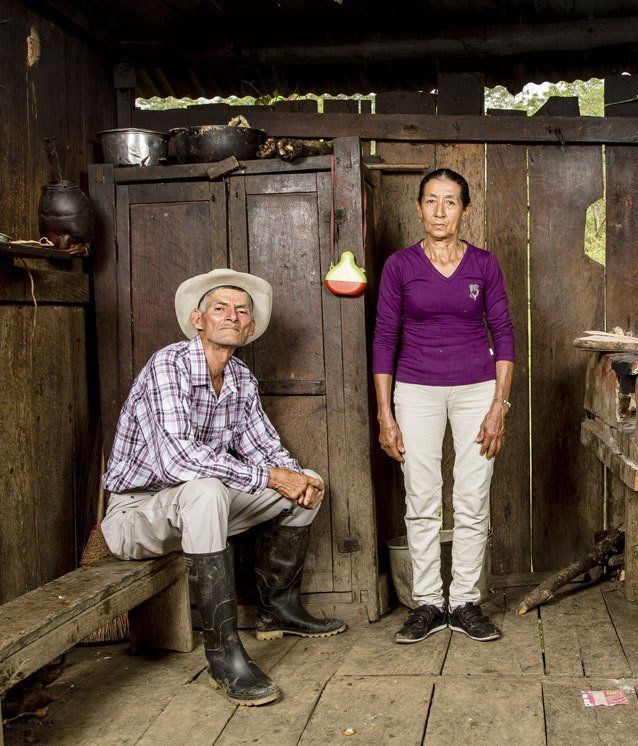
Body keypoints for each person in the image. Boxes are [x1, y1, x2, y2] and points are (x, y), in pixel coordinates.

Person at [100, 268, 345, 706]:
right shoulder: (168, 366)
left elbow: (265, 448)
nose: (232, 315)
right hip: (136, 515)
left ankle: (279, 610)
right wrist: (272, 477)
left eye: (242, 311)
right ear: (198, 320)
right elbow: (179, 461)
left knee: (310, 483)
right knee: (207, 489)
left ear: (249, 327)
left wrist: (294, 477)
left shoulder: (240, 379)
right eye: (220, 307)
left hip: (199, 512)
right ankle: (223, 654)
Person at [373, 169, 515, 644]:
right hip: (415, 390)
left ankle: (466, 602)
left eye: (450, 201)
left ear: (465, 211)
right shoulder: (400, 266)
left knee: (473, 497)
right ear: (419, 208)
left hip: (477, 390)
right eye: (431, 200)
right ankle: (429, 603)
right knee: (422, 498)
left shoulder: (484, 264)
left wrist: (499, 406)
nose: (439, 211)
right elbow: (384, 339)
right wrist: (385, 413)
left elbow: (505, 335)